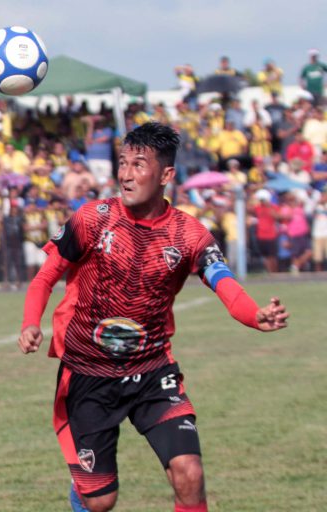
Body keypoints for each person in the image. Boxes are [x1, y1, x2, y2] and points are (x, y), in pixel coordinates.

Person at [18, 122, 289, 512]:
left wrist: (254, 315)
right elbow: (44, 278)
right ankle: (83, 487)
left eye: (139, 164)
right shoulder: (92, 219)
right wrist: (31, 323)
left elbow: (223, 281)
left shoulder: (188, 234)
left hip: (152, 372)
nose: (126, 174)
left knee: (189, 473)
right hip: (88, 374)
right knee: (100, 501)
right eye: (122, 163)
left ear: (166, 175)